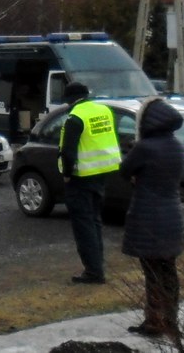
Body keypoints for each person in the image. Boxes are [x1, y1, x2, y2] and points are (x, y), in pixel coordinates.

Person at [120, 97, 184, 339]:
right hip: (172, 217)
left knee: (152, 273)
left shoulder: (145, 147)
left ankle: (154, 322)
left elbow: (125, 171)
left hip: (149, 219)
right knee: (169, 272)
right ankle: (170, 320)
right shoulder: (176, 145)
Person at [57, 81, 120, 284]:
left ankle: (93, 271)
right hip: (102, 173)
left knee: (83, 226)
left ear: (70, 100)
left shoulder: (75, 117)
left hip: (80, 177)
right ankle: (98, 263)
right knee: (94, 222)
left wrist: (67, 173)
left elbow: (68, 151)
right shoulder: (104, 111)